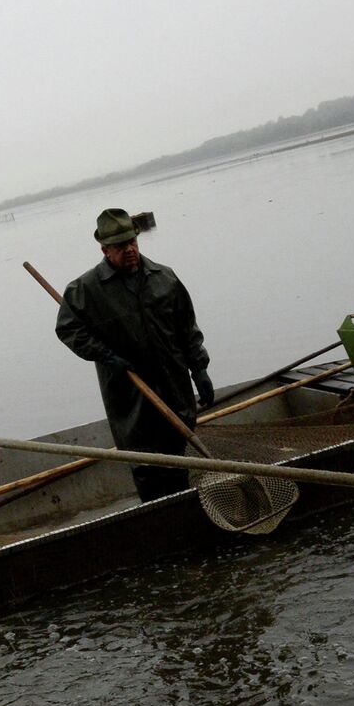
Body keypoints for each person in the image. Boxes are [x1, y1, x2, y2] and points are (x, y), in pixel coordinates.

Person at [53, 208, 215, 501]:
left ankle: (183, 506)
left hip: (172, 384)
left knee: (179, 454)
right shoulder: (85, 290)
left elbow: (186, 329)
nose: (129, 250)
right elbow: (68, 330)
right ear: (105, 249)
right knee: (145, 462)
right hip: (129, 392)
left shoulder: (164, 277)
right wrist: (105, 355)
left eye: (132, 242)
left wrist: (199, 369)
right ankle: (156, 512)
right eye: (120, 246)